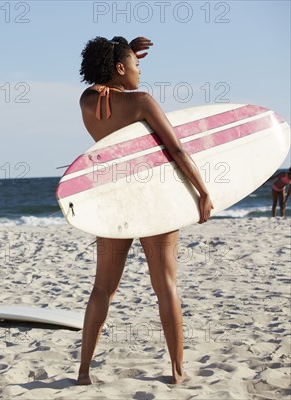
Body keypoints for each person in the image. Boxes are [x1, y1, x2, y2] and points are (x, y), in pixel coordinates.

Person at [76, 36, 214, 385]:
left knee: (102, 289)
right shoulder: (142, 101)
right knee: (165, 285)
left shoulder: (87, 100)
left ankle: (83, 371)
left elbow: (103, 76)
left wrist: (120, 62)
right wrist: (203, 191)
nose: (141, 71)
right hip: (153, 200)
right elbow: (178, 151)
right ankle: (178, 371)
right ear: (121, 68)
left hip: (112, 201)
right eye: (137, 65)